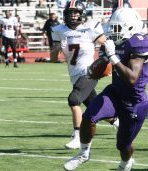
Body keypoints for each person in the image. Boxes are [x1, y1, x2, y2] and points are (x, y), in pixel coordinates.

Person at [64, 7, 148, 171]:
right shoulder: (113, 42)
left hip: (135, 101)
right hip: (115, 92)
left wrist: (112, 57)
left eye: (117, 28)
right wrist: (98, 65)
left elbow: (132, 78)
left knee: (123, 146)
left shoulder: (139, 42)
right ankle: (84, 153)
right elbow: (98, 69)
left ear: (130, 27)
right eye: (112, 27)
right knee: (89, 116)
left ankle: (126, 163)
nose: (114, 31)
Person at [51, 0, 118, 150]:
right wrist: (56, 50)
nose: (73, 16)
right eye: (70, 13)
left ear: (82, 14)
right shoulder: (59, 30)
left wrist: (109, 60)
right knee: (93, 104)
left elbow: (107, 44)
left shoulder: (89, 28)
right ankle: (116, 121)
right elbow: (54, 59)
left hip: (90, 71)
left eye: (76, 13)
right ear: (65, 14)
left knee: (74, 100)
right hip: (74, 74)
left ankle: (77, 136)